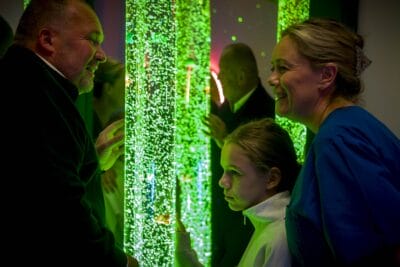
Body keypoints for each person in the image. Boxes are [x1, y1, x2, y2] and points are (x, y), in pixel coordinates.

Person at [0, 0, 137, 266]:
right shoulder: (33, 97)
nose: (102, 55)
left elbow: (39, 181)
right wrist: (120, 262)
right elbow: (61, 214)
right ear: (48, 39)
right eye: (93, 40)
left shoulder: (32, 85)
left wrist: (91, 160)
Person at [268, 18, 400, 267]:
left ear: (326, 75)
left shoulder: (337, 139)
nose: (271, 79)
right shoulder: (352, 126)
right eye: (272, 68)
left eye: (282, 68)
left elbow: (367, 255)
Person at [176, 118, 300, 267]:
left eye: (234, 172)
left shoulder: (278, 237)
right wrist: (183, 253)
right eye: (224, 170)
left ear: (272, 179)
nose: (222, 182)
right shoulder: (266, 224)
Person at [204, 42, 275, 267]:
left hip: (246, 221)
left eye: (223, 72)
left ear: (241, 76)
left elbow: (258, 161)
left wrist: (224, 138)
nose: (220, 78)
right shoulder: (226, 108)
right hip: (222, 215)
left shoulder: (266, 112)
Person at [93, 58, 126, 249]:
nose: (129, 90)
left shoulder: (104, 123)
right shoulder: (89, 122)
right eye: (125, 82)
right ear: (108, 88)